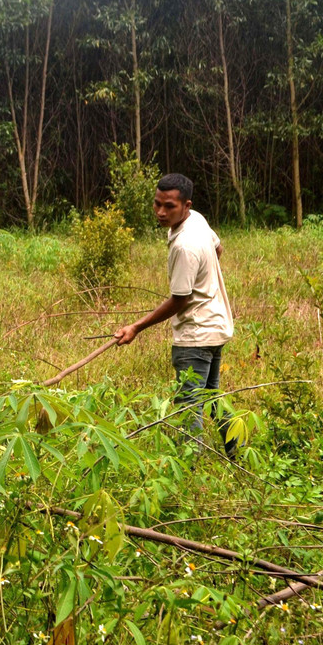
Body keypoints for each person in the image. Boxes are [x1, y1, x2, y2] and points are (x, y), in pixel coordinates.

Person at [112, 172, 237, 455]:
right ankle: (237, 451)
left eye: (169, 206)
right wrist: (203, 281)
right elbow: (218, 248)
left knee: (188, 407)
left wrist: (136, 327)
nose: (160, 212)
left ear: (186, 205)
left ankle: (188, 466)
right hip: (216, 325)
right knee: (211, 396)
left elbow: (180, 300)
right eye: (157, 204)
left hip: (195, 335)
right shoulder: (197, 220)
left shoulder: (184, 245)